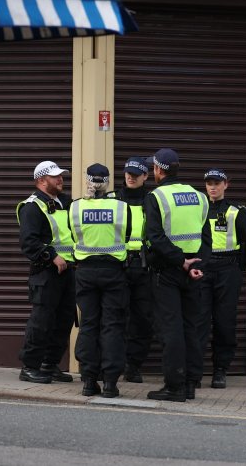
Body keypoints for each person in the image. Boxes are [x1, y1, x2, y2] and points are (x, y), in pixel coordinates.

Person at [142, 148, 211, 402]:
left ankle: (174, 386)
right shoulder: (199, 197)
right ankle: (191, 383)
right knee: (191, 327)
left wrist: (181, 261)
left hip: (169, 270)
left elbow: (155, 238)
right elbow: (206, 238)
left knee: (171, 330)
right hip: (193, 271)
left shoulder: (156, 197)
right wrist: (197, 264)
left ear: (159, 170)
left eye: (153, 168)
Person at [69, 164, 132, 398]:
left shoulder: (75, 207)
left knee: (88, 325)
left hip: (85, 271)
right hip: (114, 271)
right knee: (113, 326)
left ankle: (88, 381)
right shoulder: (121, 207)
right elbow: (126, 236)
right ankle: (110, 384)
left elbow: (74, 235)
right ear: (107, 182)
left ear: (87, 180)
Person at [17, 160, 77, 383]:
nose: (61, 179)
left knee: (63, 321)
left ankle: (49, 365)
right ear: (41, 180)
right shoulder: (32, 207)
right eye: (55, 176)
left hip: (68, 271)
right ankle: (29, 366)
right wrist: (51, 256)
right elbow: (28, 242)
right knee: (41, 322)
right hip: (46, 273)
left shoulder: (65, 203)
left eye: (61, 175)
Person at [199, 168, 246, 390]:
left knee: (225, 322)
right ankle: (195, 371)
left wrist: (238, 267)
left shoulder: (236, 211)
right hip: (203, 269)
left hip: (227, 269)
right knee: (199, 321)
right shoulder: (199, 209)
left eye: (217, 183)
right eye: (209, 183)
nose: (212, 187)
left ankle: (220, 370)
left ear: (226, 184)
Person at [107, 156, 153, 384]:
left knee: (142, 319)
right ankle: (111, 366)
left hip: (145, 267)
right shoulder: (112, 199)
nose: (131, 177)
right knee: (115, 318)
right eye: (128, 173)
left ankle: (133, 366)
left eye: (136, 174)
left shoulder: (152, 200)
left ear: (146, 176)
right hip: (117, 266)